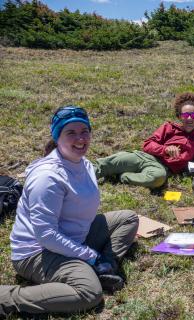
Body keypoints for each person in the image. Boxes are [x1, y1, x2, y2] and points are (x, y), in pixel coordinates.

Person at [0, 106, 139, 316]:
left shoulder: (84, 164)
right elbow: (46, 235)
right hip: (38, 251)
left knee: (127, 218)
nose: (80, 139)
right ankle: (7, 298)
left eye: (84, 131)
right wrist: (89, 255)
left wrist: (93, 257)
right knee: (89, 293)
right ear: (57, 137)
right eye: (71, 133)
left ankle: (105, 268)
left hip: (74, 237)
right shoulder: (48, 177)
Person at [94, 93, 194, 188]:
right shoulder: (168, 127)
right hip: (145, 157)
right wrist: (165, 149)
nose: (189, 118)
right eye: (185, 115)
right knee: (109, 163)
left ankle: (122, 177)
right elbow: (147, 145)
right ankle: (84, 176)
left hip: (161, 168)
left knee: (157, 178)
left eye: (193, 115)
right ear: (179, 116)